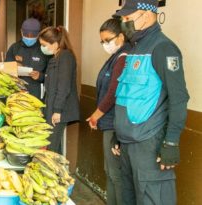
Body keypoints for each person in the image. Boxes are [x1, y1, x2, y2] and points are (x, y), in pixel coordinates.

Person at [112, 0, 189, 204]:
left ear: (146, 15)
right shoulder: (134, 49)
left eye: (128, 18)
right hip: (128, 145)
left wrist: (171, 142)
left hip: (149, 145)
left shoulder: (163, 48)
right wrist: (118, 134)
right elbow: (126, 94)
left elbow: (179, 98)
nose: (124, 23)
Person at [86, 18, 130, 205]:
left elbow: (114, 92)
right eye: (102, 41)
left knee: (116, 174)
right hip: (109, 122)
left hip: (115, 124)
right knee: (111, 172)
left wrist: (96, 115)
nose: (105, 44)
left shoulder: (123, 57)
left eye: (107, 40)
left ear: (121, 36)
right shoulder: (115, 57)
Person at [38, 26, 80, 154]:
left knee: (51, 146)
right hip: (51, 107)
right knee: (52, 143)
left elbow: (64, 86)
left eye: (44, 45)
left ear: (55, 43)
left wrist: (57, 111)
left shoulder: (65, 57)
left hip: (59, 110)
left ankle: (52, 172)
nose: (43, 48)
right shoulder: (55, 57)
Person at [6, 18, 48, 99]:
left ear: (38, 34)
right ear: (21, 32)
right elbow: (6, 70)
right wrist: (14, 67)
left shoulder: (44, 50)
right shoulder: (14, 48)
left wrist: (40, 76)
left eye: (32, 36)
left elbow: (50, 75)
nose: (29, 37)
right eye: (26, 35)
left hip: (36, 93)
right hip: (16, 91)